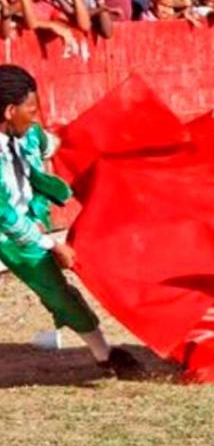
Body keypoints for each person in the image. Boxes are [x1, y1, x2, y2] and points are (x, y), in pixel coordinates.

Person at [0, 64, 144, 379]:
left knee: (57, 289)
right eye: (31, 109)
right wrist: (51, 243)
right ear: (10, 110)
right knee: (56, 288)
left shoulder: (29, 134)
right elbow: (6, 219)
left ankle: (104, 356)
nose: (36, 116)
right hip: (8, 230)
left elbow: (59, 144)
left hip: (17, 224)